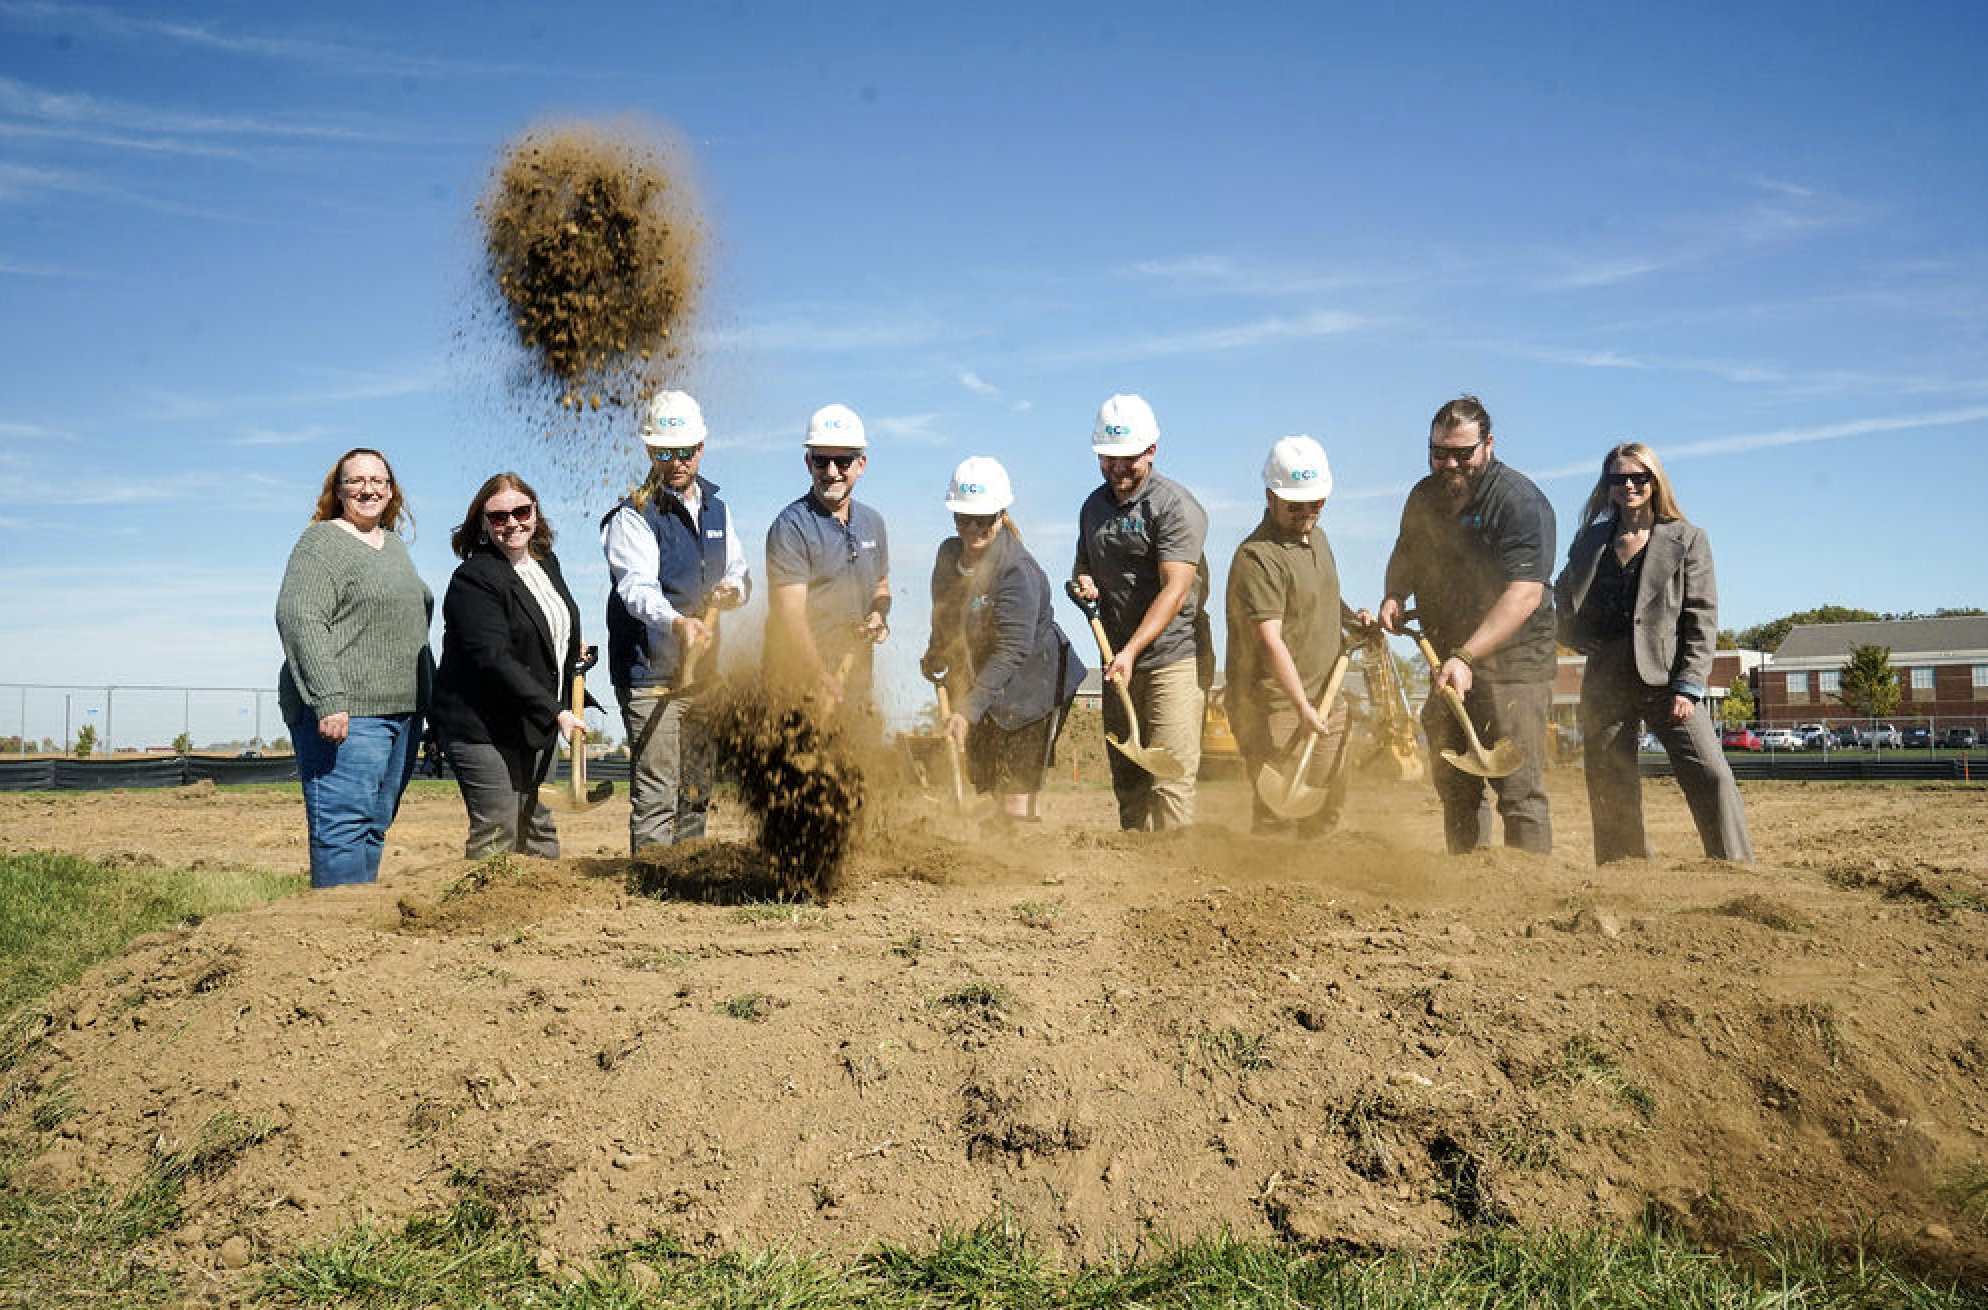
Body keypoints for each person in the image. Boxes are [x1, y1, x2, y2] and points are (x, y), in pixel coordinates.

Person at [1554, 442, 1752, 863]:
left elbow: (1702, 618)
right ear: (1607, 485)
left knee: (1712, 773)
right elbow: (1562, 590)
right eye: (1618, 478)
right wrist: (1572, 632)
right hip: (1606, 677)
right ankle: (1625, 872)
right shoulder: (1591, 540)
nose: (1628, 485)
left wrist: (1689, 686)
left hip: (1667, 679)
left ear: (1654, 481)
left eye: (1638, 477)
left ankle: (1734, 866)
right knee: (1610, 783)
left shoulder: (1688, 539)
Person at [1378, 396, 1556, 854]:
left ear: (1488, 444)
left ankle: (1531, 888)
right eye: (1439, 453)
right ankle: (1468, 883)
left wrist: (1466, 655)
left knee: (1518, 792)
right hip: (1448, 659)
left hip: (1513, 665)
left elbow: (1524, 595)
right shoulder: (1424, 495)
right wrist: (1395, 594)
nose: (1450, 463)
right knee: (1455, 785)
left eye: (1463, 453)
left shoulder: (1519, 502)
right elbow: (1406, 551)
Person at [275, 448, 433, 887]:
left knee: (374, 825)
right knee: (343, 828)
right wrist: (328, 698)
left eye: (377, 481)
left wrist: (430, 700)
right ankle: (335, 922)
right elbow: (300, 617)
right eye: (355, 481)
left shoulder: (393, 546)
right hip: (349, 715)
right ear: (338, 490)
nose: (368, 489)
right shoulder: (322, 543)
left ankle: (359, 920)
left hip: (403, 712)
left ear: (391, 490)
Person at [601, 391, 749, 852]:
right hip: (652, 677)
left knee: (695, 792)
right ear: (650, 452)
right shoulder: (633, 515)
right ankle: (651, 881)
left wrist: (732, 591)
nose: (676, 462)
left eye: (684, 451)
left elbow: (738, 572)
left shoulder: (718, 510)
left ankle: (687, 876)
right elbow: (636, 589)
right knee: (657, 794)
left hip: (703, 676)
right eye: (664, 453)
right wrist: (678, 623)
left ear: (700, 448)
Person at [429, 473, 589, 859]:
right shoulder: (474, 578)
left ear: (535, 512)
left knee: (539, 824)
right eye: (499, 517)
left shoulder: (546, 564)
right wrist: (556, 712)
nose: (512, 523)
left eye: (521, 511)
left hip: (534, 720)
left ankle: (545, 899)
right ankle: (485, 900)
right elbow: (492, 658)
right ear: (483, 524)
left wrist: (571, 650)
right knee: (497, 828)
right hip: (482, 726)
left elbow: (546, 625)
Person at [1072, 393, 1211, 831]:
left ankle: (1175, 869)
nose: (1117, 468)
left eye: (1128, 458)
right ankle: (1133, 868)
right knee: (1129, 784)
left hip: (1171, 659)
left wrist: (1131, 652)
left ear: (1151, 450)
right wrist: (1085, 581)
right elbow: (1083, 564)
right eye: (1108, 458)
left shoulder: (1174, 507)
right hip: (1115, 660)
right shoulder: (1093, 508)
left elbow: (1175, 590)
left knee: (1170, 783)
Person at [920, 457, 1085, 821]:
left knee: (1014, 794)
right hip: (985, 680)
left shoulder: (1015, 569)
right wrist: (936, 649)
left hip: (1032, 686)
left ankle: (1020, 849)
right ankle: (992, 851)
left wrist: (968, 709)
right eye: (964, 518)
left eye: (983, 518)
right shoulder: (948, 555)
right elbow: (944, 611)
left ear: (1000, 515)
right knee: (988, 784)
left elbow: (1012, 649)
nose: (972, 527)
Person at [1225, 436, 1363, 835]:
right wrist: (1302, 706)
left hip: (1328, 696)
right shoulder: (1258, 557)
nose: (1306, 513)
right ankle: (1265, 877)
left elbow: (1320, 596)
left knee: (1324, 815)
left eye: (1315, 504)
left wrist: (1353, 618)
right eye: (1295, 506)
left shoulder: (1318, 538)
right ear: (1270, 496)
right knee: (1279, 819)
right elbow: (1269, 640)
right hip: (1278, 706)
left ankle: (1320, 878)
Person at [764, 403, 889, 707]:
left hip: (856, 686)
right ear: (808, 462)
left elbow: (881, 586)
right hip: (799, 688)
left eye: (843, 461)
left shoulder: (872, 522)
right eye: (822, 460)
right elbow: (789, 615)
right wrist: (817, 675)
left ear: (861, 464)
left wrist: (879, 615)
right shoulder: (791, 527)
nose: (832, 472)